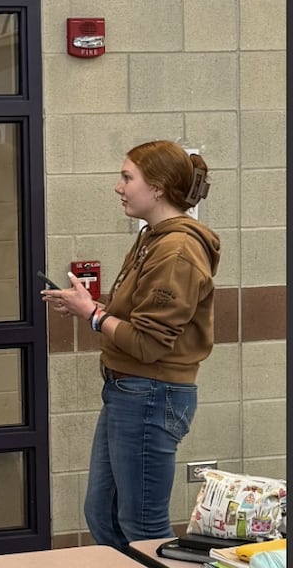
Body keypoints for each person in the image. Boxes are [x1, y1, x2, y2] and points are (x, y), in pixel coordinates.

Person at [41, 140, 220, 550]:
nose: (118, 187)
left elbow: (149, 344)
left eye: (127, 177)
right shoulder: (153, 238)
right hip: (128, 391)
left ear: (157, 188)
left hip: (151, 392)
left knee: (144, 527)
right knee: (102, 514)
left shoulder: (177, 249)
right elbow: (139, 320)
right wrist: (87, 307)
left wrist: (93, 314)